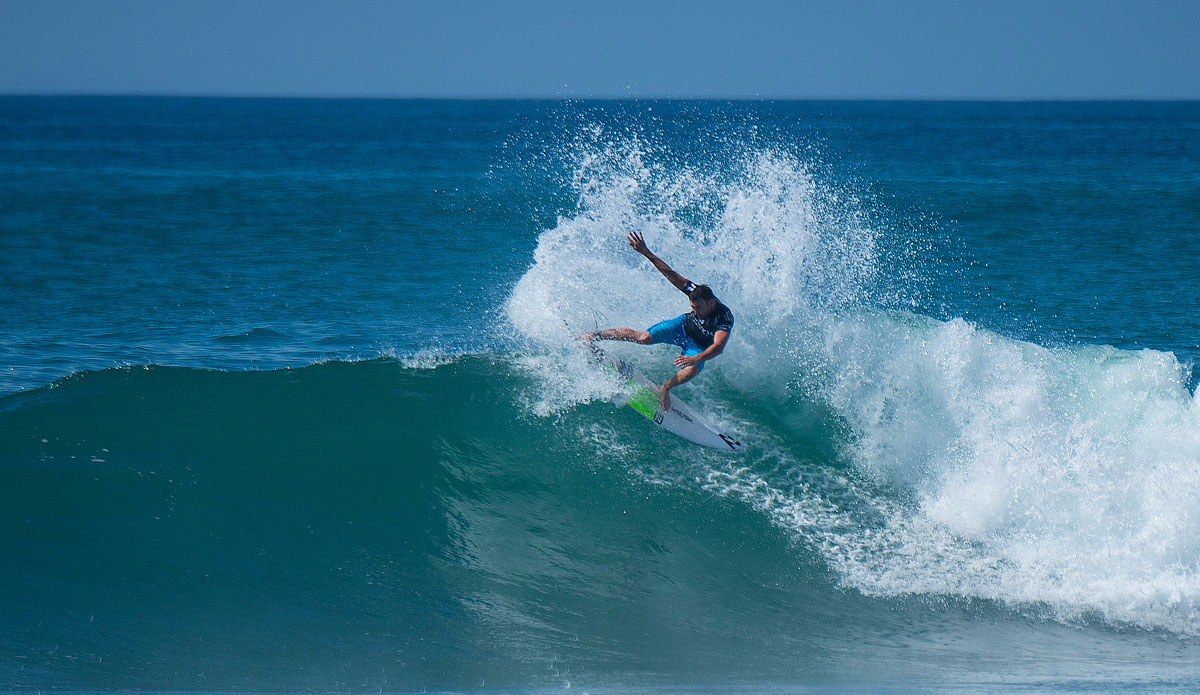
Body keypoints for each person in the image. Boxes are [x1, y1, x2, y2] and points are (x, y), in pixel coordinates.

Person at [583, 231, 734, 411]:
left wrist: (695, 358)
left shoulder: (724, 317)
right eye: (692, 308)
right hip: (683, 327)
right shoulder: (696, 292)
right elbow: (669, 273)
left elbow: (718, 347)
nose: (696, 311)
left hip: (699, 346)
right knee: (644, 337)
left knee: (693, 368)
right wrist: (646, 252)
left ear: (711, 303)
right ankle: (593, 336)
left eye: (699, 308)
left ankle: (665, 388)